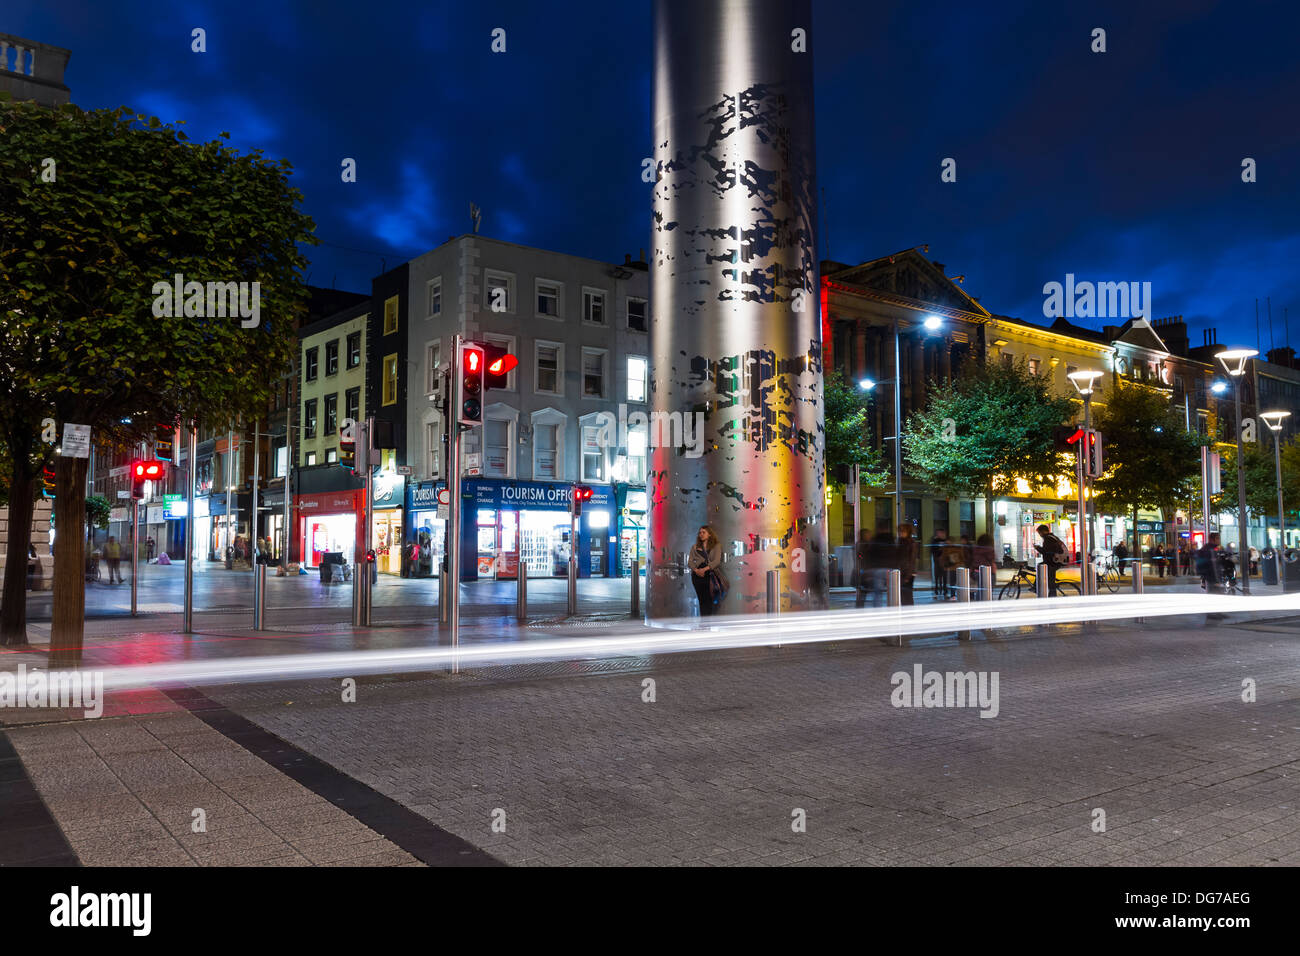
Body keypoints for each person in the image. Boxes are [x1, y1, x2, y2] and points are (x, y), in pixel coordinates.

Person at [688, 525, 727, 617]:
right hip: (696, 576)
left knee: (709, 599)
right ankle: (703, 623)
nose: (701, 534)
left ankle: (707, 623)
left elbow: (717, 561)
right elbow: (690, 562)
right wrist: (696, 570)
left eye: (703, 532)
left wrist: (704, 570)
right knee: (701, 599)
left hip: (710, 574)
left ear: (709, 534)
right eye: (700, 533)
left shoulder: (716, 546)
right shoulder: (695, 547)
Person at [1033, 524, 1067, 597]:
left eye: (1039, 533)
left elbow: (1046, 551)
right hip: (1056, 561)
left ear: (1043, 532)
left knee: (1049, 579)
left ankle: (1039, 589)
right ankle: (1040, 588)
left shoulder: (1048, 539)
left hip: (1053, 562)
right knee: (1049, 578)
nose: (1040, 535)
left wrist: (1037, 548)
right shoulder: (1053, 537)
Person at [895, 523, 918, 605]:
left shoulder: (911, 543)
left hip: (908, 572)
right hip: (901, 571)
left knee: (907, 594)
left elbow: (912, 560)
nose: (900, 533)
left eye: (903, 531)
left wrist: (908, 575)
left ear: (908, 532)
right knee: (902, 594)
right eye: (899, 531)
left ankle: (909, 612)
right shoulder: (899, 542)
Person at [929, 528, 949, 599]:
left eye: (941, 533)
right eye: (938, 533)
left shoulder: (946, 541)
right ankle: (936, 592)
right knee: (937, 578)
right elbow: (932, 551)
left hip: (944, 562)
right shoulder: (934, 541)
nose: (940, 534)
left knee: (945, 578)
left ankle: (945, 592)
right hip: (937, 562)